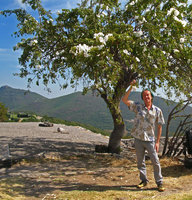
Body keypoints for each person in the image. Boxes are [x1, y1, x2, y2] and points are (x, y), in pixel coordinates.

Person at [122, 80, 165, 192]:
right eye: (144, 95)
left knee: (155, 161)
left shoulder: (157, 110)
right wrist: (131, 87)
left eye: (148, 95)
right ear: (142, 97)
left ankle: (159, 182)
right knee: (140, 162)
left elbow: (160, 126)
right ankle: (144, 180)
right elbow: (124, 100)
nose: (146, 97)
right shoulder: (138, 106)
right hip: (138, 139)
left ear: (151, 97)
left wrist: (157, 141)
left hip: (150, 140)